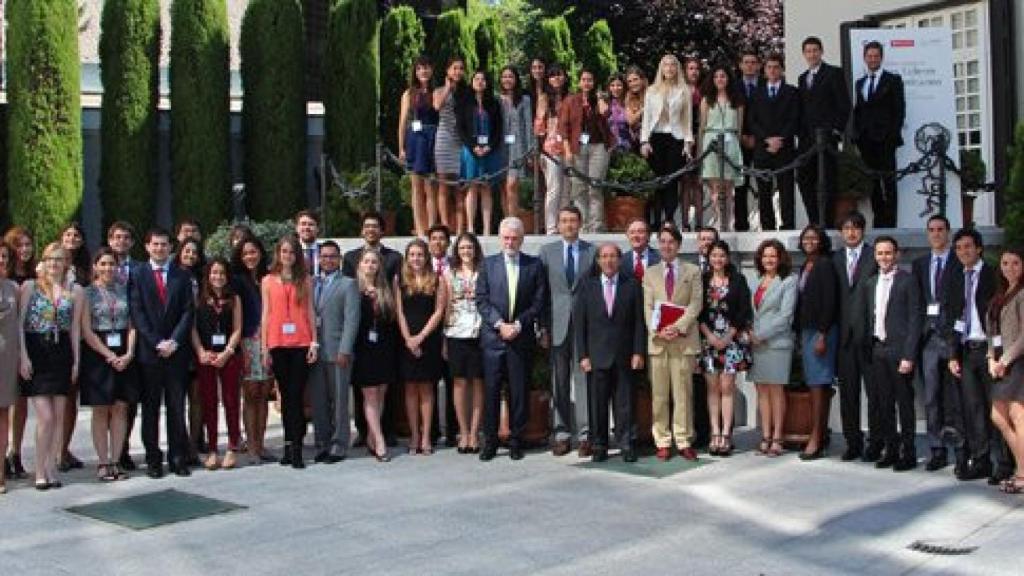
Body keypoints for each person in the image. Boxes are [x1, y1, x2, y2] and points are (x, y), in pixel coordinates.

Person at [476, 217, 546, 461]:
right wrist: (499, 324)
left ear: (522, 240)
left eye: (514, 238)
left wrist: (517, 324)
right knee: (492, 390)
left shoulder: (534, 265)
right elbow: (482, 300)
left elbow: (538, 302)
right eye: (506, 237)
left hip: (520, 337)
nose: (510, 242)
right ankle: (491, 441)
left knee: (519, 391)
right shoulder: (488, 264)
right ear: (500, 239)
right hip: (493, 338)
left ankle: (517, 439)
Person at [946, 228, 1013, 484]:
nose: (964, 252)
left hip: (990, 352)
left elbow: (998, 317)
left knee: (996, 410)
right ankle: (981, 460)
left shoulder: (991, 275)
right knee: (973, 410)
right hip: (966, 350)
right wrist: (953, 353)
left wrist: (997, 354)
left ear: (979, 249)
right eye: (959, 248)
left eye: (968, 247)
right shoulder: (957, 277)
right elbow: (954, 317)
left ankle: (1003, 463)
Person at [130, 228, 195, 478]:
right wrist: (157, 342)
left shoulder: (182, 275)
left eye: (164, 244)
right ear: (147, 246)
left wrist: (174, 341)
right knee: (151, 409)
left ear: (171, 247)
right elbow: (138, 313)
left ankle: (177, 457)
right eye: (155, 244)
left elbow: (188, 312)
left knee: (177, 408)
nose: (160, 248)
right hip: (150, 354)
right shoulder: (138, 275)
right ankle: (153, 459)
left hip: (176, 354)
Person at [19, 243, 83, 490]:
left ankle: (51, 467)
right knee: (44, 416)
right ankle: (38, 469)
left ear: (66, 262)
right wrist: (23, 357)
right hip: (37, 350)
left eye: (59, 259)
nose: (54, 264)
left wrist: (76, 360)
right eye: (50, 259)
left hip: (61, 352)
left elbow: (75, 329)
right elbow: (20, 324)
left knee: (57, 416)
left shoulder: (73, 290)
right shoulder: (30, 287)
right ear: (43, 262)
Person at [855, 236, 922, 471]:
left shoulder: (908, 281)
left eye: (888, 253)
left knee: (904, 403)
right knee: (884, 403)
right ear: (875, 256)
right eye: (880, 253)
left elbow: (915, 320)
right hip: (878, 350)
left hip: (900, 351)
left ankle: (909, 452)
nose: (884, 257)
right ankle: (890, 449)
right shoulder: (870, 283)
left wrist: (909, 355)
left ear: (897, 255)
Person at [575, 242, 646, 463]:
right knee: (597, 403)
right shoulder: (587, 286)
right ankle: (599, 444)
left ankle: (626, 443)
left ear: (620, 259)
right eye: (604, 256)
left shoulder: (632, 285)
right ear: (598, 261)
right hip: (596, 357)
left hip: (624, 355)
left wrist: (638, 352)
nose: (608, 261)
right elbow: (580, 325)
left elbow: (638, 323)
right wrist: (583, 355)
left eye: (613, 256)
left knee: (625, 402)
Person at [342, 212, 403, 447]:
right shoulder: (350, 258)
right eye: (366, 226)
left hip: (385, 330)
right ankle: (365, 431)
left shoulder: (394, 258)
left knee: (385, 388)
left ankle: (385, 431)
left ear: (382, 230)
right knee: (363, 390)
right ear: (361, 230)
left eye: (375, 226)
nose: (370, 230)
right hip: (362, 335)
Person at [539, 206, 596, 457]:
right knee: (558, 381)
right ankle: (561, 433)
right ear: (558, 225)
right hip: (556, 325)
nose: (569, 225)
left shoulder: (592, 252)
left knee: (583, 380)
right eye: (564, 221)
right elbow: (542, 294)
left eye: (573, 220)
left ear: (580, 223)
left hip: (585, 328)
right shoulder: (547, 252)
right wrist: (542, 328)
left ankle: (586, 435)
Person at [643, 223, 703, 461]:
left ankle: (683, 438)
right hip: (659, 342)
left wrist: (677, 327)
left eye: (671, 242)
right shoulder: (650, 273)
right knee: (659, 394)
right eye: (663, 241)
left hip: (683, 340)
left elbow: (696, 304)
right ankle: (663, 440)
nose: (667, 246)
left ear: (678, 245)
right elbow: (647, 307)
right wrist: (658, 329)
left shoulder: (692, 271)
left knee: (683, 393)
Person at [261, 236, 318, 470]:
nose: (287, 256)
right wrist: (265, 348)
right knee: (285, 397)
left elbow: (311, 311)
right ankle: (287, 444)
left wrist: (314, 342)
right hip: (277, 343)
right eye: (284, 251)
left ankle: (297, 446)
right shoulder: (267, 281)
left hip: (300, 343)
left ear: (297, 256)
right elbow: (266, 315)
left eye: (292, 252)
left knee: (296, 395)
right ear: (278, 253)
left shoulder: (305, 280)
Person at [81, 248, 137, 481]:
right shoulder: (86, 293)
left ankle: (116, 460)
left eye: (111, 264)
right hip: (98, 352)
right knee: (101, 408)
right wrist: (107, 355)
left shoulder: (125, 290)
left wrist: (129, 353)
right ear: (95, 267)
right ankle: (103, 462)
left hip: (123, 351)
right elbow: (86, 330)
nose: (108, 268)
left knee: (121, 407)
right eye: (103, 264)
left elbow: (132, 325)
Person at [912, 214, 962, 471]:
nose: (936, 234)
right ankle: (936, 449)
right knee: (931, 397)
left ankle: (961, 450)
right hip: (928, 339)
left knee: (955, 397)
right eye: (932, 230)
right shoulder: (919, 264)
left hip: (953, 339)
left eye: (941, 229)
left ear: (948, 232)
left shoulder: (958, 260)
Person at [832, 211, 879, 461]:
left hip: (870, 337)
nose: (851, 232)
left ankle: (876, 442)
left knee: (875, 394)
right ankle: (853, 442)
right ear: (841, 232)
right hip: (844, 340)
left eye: (856, 228)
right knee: (848, 395)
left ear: (863, 231)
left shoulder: (875, 255)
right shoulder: (835, 259)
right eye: (846, 228)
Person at [698, 240, 752, 456]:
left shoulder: (738, 280)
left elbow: (743, 311)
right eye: (714, 255)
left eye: (721, 255)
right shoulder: (702, 281)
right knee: (712, 389)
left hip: (731, 342)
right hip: (708, 341)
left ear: (727, 258)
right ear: (708, 258)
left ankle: (727, 435)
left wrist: (728, 336)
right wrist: (710, 336)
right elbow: (697, 311)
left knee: (727, 388)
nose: (718, 259)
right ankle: (715, 433)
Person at [308, 241, 360, 464]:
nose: (328, 260)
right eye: (324, 256)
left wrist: (345, 349)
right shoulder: (311, 283)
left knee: (339, 401)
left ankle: (339, 445)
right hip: (315, 351)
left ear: (339, 259)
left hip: (338, 351)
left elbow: (352, 319)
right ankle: (322, 443)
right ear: (319, 259)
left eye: (332, 256)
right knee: (318, 401)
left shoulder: (348, 285)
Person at [396, 239, 448, 455]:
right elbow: (399, 311)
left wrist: (421, 337)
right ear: (407, 258)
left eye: (420, 254)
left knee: (427, 389)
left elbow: (439, 311)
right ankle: (414, 436)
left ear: (426, 257)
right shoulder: (399, 280)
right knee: (410, 390)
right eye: (412, 255)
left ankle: (426, 436)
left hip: (429, 341)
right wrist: (409, 338)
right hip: (406, 341)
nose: (416, 258)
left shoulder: (437, 280)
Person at [191, 257, 243, 470]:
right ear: (208, 275)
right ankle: (212, 448)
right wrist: (200, 351)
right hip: (207, 356)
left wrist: (228, 352)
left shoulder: (235, 299)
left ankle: (232, 446)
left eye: (221, 273)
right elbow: (192, 328)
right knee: (209, 403)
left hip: (229, 356)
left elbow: (238, 328)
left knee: (231, 401)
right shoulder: (199, 298)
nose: (218, 277)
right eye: (214, 273)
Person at [794, 224, 839, 460]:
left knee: (819, 384)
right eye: (805, 238)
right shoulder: (806, 265)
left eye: (814, 237)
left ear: (821, 241)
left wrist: (822, 334)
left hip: (822, 332)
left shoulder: (825, 264)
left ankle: (816, 438)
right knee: (814, 384)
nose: (809, 241)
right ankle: (820, 433)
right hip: (807, 329)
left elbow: (830, 301)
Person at [749, 239, 797, 457]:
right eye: (765, 256)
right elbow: (752, 313)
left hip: (776, 344)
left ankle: (778, 437)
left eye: (773, 256)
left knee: (776, 391)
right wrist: (749, 333)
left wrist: (761, 335)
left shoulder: (788, 281)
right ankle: (765, 436)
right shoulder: (756, 281)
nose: (768, 260)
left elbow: (786, 316)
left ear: (780, 259)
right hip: (756, 345)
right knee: (762, 391)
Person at [797, 36, 851, 227]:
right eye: (808, 51)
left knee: (827, 181)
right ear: (804, 54)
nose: (812, 54)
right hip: (807, 141)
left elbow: (844, 106)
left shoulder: (834, 73)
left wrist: (836, 130)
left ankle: (826, 222)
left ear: (821, 52)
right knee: (804, 179)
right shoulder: (803, 78)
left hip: (827, 138)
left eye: (815, 50)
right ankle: (814, 221)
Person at [230, 236, 274, 465]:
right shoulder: (236, 280)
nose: (250, 256)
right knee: (251, 393)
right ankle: (252, 447)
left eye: (253, 251)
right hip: (248, 340)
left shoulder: (269, 276)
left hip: (269, 340)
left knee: (265, 393)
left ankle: (261, 442)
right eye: (245, 253)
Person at [352, 249, 399, 462]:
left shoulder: (385, 289)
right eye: (367, 262)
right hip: (363, 349)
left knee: (380, 392)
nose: (370, 265)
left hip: (384, 348)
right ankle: (379, 441)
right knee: (370, 394)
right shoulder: (353, 289)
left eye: (374, 262)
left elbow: (391, 320)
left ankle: (372, 435)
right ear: (360, 265)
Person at [853, 41, 906, 229]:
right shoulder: (860, 83)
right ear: (865, 58)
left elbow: (899, 111)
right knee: (873, 182)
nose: (873, 59)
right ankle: (878, 219)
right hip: (866, 141)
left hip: (885, 140)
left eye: (876, 56)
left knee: (888, 182)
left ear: (881, 58)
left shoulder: (893, 80)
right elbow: (859, 111)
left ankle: (891, 222)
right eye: (869, 56)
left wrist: (892, 135)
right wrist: (857, 136)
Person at [640, 55, 694, 230]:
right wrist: (644, 141)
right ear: (661, 69)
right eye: (666, 65)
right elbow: (646, 118)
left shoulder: (684, 90)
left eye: (672, 65)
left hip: (675, 138)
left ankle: (669, 218)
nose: (669, 68)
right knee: (656, 181)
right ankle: (655, 219)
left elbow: (687, 119)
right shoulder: (651, 91)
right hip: (656, 137)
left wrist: (687, 143)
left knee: (672, 181)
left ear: (677, 69)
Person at [986, 247, 1024, 493]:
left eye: (1015, 263)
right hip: (999, 363)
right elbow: (992, 333)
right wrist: (991, 358)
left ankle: (1022, 474)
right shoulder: (1000, 294)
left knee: (1018, 417)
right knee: (999, 417)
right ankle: (1022, 469)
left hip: (1017, 363)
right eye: (1005, 263)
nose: (1009, 268)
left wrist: (1005, 360)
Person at [747, 53, 799, 231]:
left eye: (776, 67)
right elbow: (752, 120)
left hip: (784, 148)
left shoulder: (792, 92)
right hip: (763, 148)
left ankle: (788, 225)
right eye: (769, 67)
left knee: (786, 190)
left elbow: (795, 118)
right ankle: (767, 226)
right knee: (763, 191)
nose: (772, 70)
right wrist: (767, 139)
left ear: (782, 70)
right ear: (764, 70)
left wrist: (780, 139)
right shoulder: (756, 93)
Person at [444, 232, 485, 453]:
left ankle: (475, 433)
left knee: (479, 383)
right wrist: (443, 337)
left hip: (479, 333)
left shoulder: (484, 272)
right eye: (462, 248)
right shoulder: (449, 274)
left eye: (469, 248)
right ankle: (464, 432)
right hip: (456, 333)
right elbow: (446, 306)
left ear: (475, 249)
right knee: (459, 384)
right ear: (457, 252)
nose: (466, 252)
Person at [560, 68, 612, 233]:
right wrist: (567, 151)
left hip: (598, 147)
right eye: (584, 79)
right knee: (578, 187)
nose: (587, 83)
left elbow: (605, 114)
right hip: (577, 147)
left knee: (595, 187)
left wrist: (600, 100)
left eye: (590, 80)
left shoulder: (600, 99)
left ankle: (595, 226)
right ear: (579, 82)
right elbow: (564, 128)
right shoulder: (570, 101)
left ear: (594, 82)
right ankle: (582, 226)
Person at [56, 223, 89, 472]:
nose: (72, 238)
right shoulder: (46, 272)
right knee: (50, 402)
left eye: (76, 235)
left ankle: (63, 449)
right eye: (67, 234)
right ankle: (54, 450)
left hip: (80, 340)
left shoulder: (86, 269)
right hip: (52, 341)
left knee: (70, 400)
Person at [106, 220, 139, 472]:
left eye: (126, 237)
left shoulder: (139, 270)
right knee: (106, 401)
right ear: (110, 240)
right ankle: (107, 452)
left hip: (133, 341)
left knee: (129, 400)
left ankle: (123, 448)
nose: (121, 241)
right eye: (117, 237)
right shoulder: (101, 268)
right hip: (105, 342)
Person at [3, 226, 34, 480]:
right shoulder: (7, 279)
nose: (24, 250)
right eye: (19, 246)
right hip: (10, 345)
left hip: (32, 344)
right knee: (7, 402)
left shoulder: (36, 275)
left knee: (22, 403)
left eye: (28, 245)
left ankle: (16, 452)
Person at [456, 69, 503, 236]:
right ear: (471, 81)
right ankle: (470, 227)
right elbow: (460, 128)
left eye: (483, 78)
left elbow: (499, 129)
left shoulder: (494, 103)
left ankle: (487, 228)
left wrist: (490, 146)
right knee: (472, 187)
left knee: (487, 188)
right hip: (470, 150)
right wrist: (472, 146)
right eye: (477, 78)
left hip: (490, 150)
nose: (480, 81)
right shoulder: (464, 102)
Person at [699, 66, 745, 232]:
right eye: (716, 76)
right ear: (712, 80)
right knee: (716, 187)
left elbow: (739, 127)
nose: (720, 79)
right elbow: (702, 127)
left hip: (731, 142)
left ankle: (729, 221)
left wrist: (737, 146)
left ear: (728, 79)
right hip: (711, 143)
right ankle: (719, 220)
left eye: (723, 76)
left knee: (729, 187)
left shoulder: (737, 100)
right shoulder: (706, 100)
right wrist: (699, 151)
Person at [398, 56, 439, 237]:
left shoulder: (436, 92)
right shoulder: (408, 94)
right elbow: (402, 122)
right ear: (415, 72)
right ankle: (419, 228)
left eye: (427, 68)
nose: (424, 72)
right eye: (420, 68)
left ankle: (431, 227)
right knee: (416, 186)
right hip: (415, 138)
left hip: (433, 137)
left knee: (431, 186)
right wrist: (401, 148)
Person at [175, 235, 205, 464]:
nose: (190, 256)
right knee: (178, 397)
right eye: (187, 251)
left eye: (194, 252)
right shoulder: (172, 275)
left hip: (201, 340)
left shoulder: (203, 276)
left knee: (197, 397)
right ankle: (181, 443)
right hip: (178, 341)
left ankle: (194, 445)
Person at [427, 225, 456, 446]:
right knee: (430, 382)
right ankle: (432, 430)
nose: (438, 242)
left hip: (453, 330)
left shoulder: (455, 267)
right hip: (428, 332)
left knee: (452, 380)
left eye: (442, 239)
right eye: (434, 239)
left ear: (448, 243)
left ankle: (453, 431)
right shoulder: (420, 266)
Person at [535, 63, 571, 234]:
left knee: (566, 189)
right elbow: (539, 125)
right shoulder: (544, 98)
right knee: (554, 188)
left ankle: (563, 225)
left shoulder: (571, 97)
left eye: (559, 74)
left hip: (569, 147)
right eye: (552, 75)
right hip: (551, 148)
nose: (556, 78)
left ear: (565, 77)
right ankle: (551, 227)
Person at [433, 56, 468, 233]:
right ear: (448, 71)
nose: (458, 71)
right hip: (444, 139)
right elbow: (437, 106)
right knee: (443, 184)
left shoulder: (466, 92)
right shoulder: (439, 90)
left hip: (461, 141)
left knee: (460, 187)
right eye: (454, 68)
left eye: (461, 68)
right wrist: (448, 88)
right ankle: (445, 226)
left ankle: (461, 228)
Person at [499, 65, 534, 222]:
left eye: (510, 76)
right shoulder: (496, 99)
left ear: (516, 79)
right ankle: (506, 220)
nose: (507, 80)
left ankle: (514, 220)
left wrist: (530, 150)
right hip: (500, 147)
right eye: (505, 76)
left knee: (512, 185)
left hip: (518, 146)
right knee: (503, 187)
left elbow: (528, 125)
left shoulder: (524, 100)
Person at [0, 243, 21, 493]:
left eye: (4, 257)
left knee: (3, 416)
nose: (1, 260)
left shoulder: (14, 288)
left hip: (6, 360)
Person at [735, 50, 763, 232]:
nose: (750, 65)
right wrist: (741, 135)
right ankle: (741, 224)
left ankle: (767, 224)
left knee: (764, 183)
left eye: (753, 62)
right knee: (740, 185)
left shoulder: (767, 84)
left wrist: (758, 137)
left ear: (759, 65)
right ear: (741, 65)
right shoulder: (734, 87)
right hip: (740, 140)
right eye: (746, 62)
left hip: (762, 140)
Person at [620, 217, 660, 282]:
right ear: (627, 235)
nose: (636, 235)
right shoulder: (620, 261)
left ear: (648, 235)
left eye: (640, 232)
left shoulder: (660, 258)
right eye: (632, 232)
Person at [606, 73, 634, 153]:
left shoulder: (629, 103)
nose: (616, 88)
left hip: (626, 147)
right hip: (608, 149)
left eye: (619, 85)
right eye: (612, 85)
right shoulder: (605, 103)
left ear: (624, 87)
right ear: (609, 87)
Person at [59, 222, 90, 288]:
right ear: (62, 239)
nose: (72, 238)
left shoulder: (87, 265)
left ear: (82, 241)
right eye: (68, 235)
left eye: (76, 235)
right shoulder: (52, 261)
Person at [624, 65, 647, 149]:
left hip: (654, 139)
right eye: (629, 81)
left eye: (635, 79)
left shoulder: (651, 94)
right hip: (636, 142)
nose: (633, 83)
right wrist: (644, 109)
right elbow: (630, 120)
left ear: (642, 80)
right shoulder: (628, 97)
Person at [296, 210, 321, 277]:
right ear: (297, 228)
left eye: (311, 224)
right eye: (303, 224)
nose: (307, 227)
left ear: (317, 228)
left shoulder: (325, 251)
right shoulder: (291, 251)